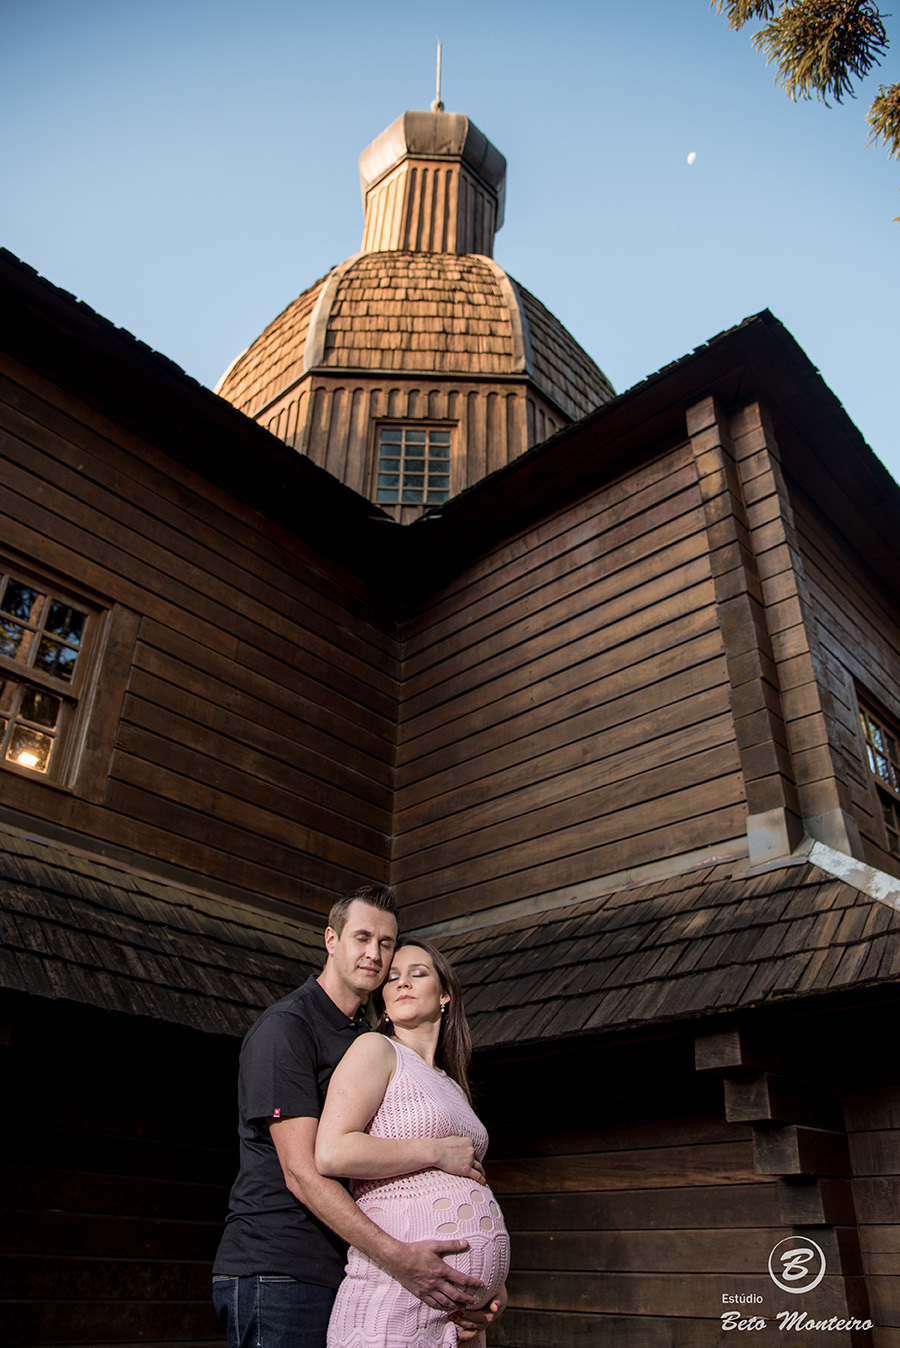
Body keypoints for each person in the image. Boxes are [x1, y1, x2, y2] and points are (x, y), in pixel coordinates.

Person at [212, 885, 494, 1348]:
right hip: (279, 1270)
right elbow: (303, 1173)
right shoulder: (287, 1029)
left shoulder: (370, 1038)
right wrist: (398, 1258)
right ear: (331, 940)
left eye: (386, 943)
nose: (375, 954)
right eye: (362, 938)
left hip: (345, 1270)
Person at [316, 938, 510, 1348]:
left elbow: (471, 1181)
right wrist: (434, 1151)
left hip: (458, 1318)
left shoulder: (452, 1084)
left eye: (417, 974)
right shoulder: (376, 1050)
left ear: (444, 995)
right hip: (393, 1299)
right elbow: (332, 1151)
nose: (401, 983)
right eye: (392, 978)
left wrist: (494, 1284)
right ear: (383, 1002)